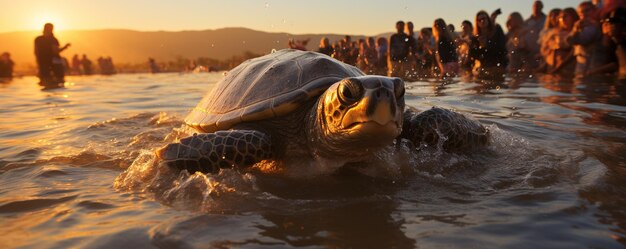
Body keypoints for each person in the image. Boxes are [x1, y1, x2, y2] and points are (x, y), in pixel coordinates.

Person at [567, 1, 609, 76]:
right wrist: (575, 30)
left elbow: (583, 40)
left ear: (595, 10)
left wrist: (575, 30)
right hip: (582, 67)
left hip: (594, 68)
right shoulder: (582, 26)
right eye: (580, 13)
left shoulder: (594, 25)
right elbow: (568, 41)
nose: (584, 14)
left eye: (587, 10)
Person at [468, 10, 508, 78]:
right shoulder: (475, 37)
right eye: (479, 20)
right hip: (483, 68)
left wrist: (487, 45)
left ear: (488, 19)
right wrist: (481, 46)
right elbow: (472, 55)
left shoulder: (497, 30)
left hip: (498, 66)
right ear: (476, 22)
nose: (482, 21)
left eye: (484, 18)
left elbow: (502, 49)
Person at [547, 8, 580, 75]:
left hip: (569, 69)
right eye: (561, 17)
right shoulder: (558, 34)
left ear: (573, 17)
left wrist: (557, 68)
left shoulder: (578, 33)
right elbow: (552, 53)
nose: (563, 19)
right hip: (554, 68)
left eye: (565, 16)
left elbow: (573, 52)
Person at [524, 1, 547, 69]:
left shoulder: (546, 20)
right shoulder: (526, 22)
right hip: (528, 54)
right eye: (534, 6)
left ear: (542, 7)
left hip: (543, 53)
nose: (536, 7)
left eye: (538, 6)